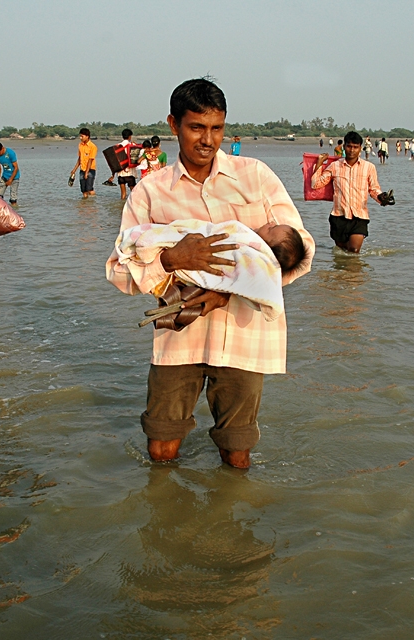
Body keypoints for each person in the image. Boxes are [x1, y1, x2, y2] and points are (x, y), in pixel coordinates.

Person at [105, 78, 315, 469]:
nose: (208, 139)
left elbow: (301, 249)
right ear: (173, 125)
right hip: (178, 337)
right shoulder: (149, 193)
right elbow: (119, 273)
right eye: (196, 127)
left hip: (244, 337)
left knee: (237, 453)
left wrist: (231, 291)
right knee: (161, 449)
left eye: (216, 128)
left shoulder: (255, 176)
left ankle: (229, 521)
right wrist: (171, 258)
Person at [115, 218, 308, 323]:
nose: (271, 222)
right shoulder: (150, 187)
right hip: (175, 349)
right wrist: (168, 261)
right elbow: (116, 271)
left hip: (246, 353)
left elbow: (299, 253)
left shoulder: (260, 175)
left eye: (272, 229)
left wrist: (231, 288)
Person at [311, 131, 389, 254]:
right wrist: (319, 164)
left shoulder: (369, 167)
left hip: (359, 216)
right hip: (338, 216)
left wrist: (382, 198)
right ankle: (344, 273)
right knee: (342, 250)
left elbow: (374, 189)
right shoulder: (335, 166)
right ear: (344, 147)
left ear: (360, 149)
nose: (352, 150)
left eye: (355, 147)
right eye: (349, 146)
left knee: (354, 250)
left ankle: (354, 273)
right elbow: (316, 184)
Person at [70, 127, 97, 199]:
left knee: (89, 189)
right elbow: (80, 158)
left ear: (87, 136)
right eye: (80, 136)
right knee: (83, 190)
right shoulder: (80, 145)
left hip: (90, 169)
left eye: (82, 136)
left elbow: (90, 160)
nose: (80, 138)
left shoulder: (92, 146)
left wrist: (87, 172)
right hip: (82, 169)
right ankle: (85, 205)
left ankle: (93, 202)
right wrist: (74, 170)